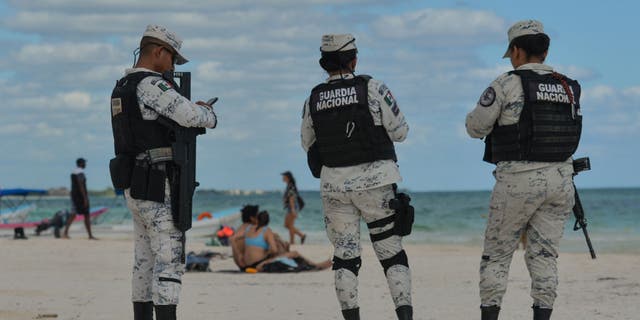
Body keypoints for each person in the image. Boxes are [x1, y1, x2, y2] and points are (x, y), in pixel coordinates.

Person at [465, 20, 582, 320]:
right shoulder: (569, 87)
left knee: (497, 255)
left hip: (518, 181)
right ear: (545, 51)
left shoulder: (505, 84)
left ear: (516, 51)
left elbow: (475, 127)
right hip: (561, 181)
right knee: (545, 257)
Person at [301, 34, 412, 320]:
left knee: (345, 258)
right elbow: (400, 131)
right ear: (354, 60)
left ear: (324, 63)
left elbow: (307, 142)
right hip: (376, 183)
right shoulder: (372, 88)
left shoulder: (313, 98)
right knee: (392, 254)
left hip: (334, 186)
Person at [110, 25, 217, 320]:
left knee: (143, 261)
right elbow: (191, 116)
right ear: (159, 52)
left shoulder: (122, 86)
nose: (172, 66)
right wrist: (209, 113)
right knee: (169, 261)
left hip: (134, 184)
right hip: (157, 184)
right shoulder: (150, 85)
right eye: (172, 59)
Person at [242, 211, 330, 272]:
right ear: (267, 221)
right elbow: (274, 250)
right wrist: (267, 255)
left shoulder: (248, 229)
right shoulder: (266, 230)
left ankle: (316, 265)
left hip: (247, 264)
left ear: (257, 220)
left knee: (284, 251)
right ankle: (316, 265)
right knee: (294, 253)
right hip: (259, 264)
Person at [62, 158, 96, 239]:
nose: (85, 164)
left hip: (74, 196)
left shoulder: (74, 172)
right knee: (86, 214)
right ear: (81, 163)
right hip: (80, 197)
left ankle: (65, 233)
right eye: (84, 163)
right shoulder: (80, 172)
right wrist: (85, 198)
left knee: (73, 214)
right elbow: (81, 186)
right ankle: (90, 235)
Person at [281, 171, 306, 244]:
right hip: (291, 207)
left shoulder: (290, 186)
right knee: (287, 225)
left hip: (292, 207)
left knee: (290, 225)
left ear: (287, 177)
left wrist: (292, 209)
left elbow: (291, 198)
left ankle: (293, 241)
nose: (282, 178)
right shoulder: (289, 185)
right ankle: (301, 236)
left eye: (283, 176)